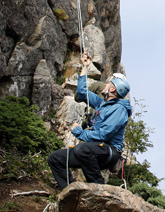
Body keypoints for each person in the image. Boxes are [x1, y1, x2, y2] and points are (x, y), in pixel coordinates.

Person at [47, 53, 131, 189]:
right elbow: (82, 92)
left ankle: (98, 188)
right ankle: (70, 191)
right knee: (56, 158)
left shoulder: (119, 110)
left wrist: (80, 133)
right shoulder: (100, 103)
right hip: (93, 150)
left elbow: (104, 135)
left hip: (109, 151)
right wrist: (85, 67)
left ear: (113, 88)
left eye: (108, 82)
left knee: (82, 148)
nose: (105, 84)